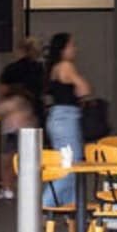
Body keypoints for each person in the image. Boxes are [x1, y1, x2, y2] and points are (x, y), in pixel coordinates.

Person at [43, 33, 93, 208]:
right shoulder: (66, 66)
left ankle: (71, 209)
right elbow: (84, 89)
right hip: (66, 119)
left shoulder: (54, 68)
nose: (75, 49)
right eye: (72, 45)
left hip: (59, 118)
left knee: (70, 164)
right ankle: (44, 206)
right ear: (63, 49)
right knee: (71, 166)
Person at [0, 35, 47, 124]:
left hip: (15, 113)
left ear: (21, 50)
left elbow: (2, 89)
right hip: (35, 111)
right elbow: (43, 88)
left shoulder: (11, 68)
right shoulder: (39, 68)